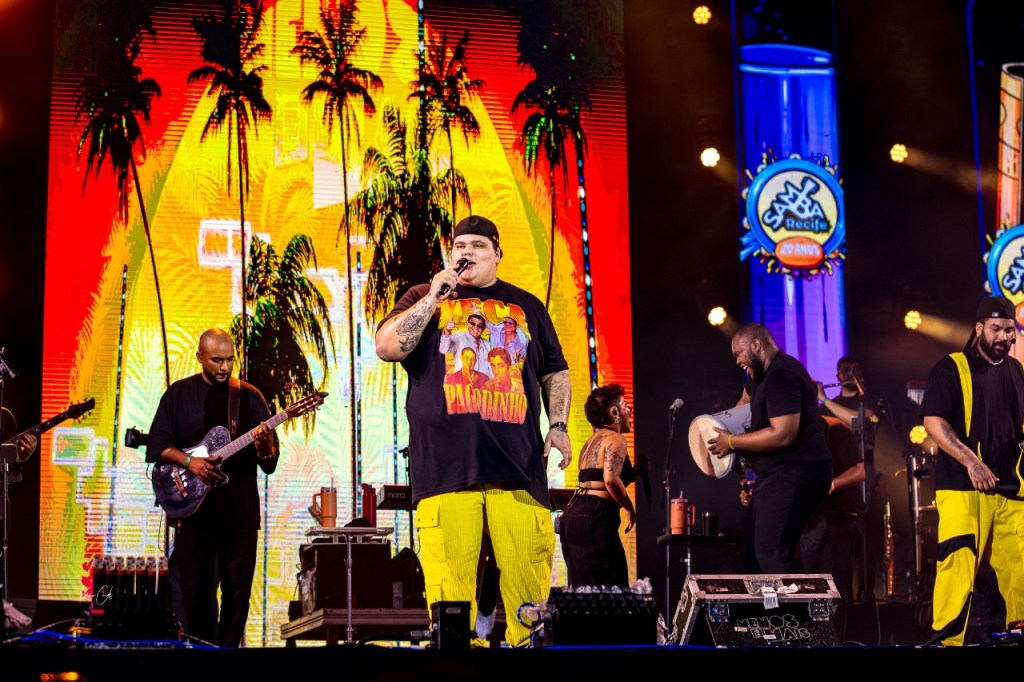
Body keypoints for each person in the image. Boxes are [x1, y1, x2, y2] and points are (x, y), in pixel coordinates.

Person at [375, 214, 572, 648]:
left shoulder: (527, 306)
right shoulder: (423, 297)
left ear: (497, 254)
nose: (467, 252)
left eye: (478, 245)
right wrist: (433, 298)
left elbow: (555, 371)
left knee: (529, 606)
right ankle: (456, 672)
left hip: (518, 469)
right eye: (460, 245)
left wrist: (558, 424)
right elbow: (387, 347)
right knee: (450, 610)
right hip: (445, 469)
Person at [146, 328, 278, 647]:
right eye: (217, 360)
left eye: (230, 360)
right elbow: (157, 445)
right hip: (194, 516)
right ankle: (203, 659)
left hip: (240, 515)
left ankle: (227, 661)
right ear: (200, 357)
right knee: (195, 595)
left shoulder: (250, 397)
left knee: (237, 596)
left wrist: (264, 448)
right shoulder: (179, 395)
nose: (224, 367)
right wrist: (190, 462)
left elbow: (270, 462)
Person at [919, 295, 1024, 647]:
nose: (1003, 337)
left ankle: (1018, 633)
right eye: (996, 329)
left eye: (1009, 330)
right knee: (958, 563)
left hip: (1011, 490)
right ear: (979, 328)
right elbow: (933, 421)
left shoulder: (1016, 371)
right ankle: (946, 642)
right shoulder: (951, 367)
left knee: (1020, 566)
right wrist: (972, 462)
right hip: (963, 488)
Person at [707, 322, 832, 572]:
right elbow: (744, 403)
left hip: (797, 472)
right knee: (753, 551)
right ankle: (774, 600)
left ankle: (800, 599)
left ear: (756, 345)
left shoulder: (782, 375)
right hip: (778, 474)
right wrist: (721, 426)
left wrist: (731, 441)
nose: (737, 361)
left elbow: (783, 434)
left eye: (738, 354)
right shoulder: (759, 375)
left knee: (772, 550)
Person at [816, 355, 880, 603]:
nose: (850, 373)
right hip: (839, 473)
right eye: (845, 369)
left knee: (863, 533)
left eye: (855, 369)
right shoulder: (828, 407)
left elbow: (858, 422)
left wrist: (823, 398)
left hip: (863, 470)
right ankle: (844, 594)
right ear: (837, 375)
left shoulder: (867, 400)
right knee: (840, 533)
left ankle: (866, 593)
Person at [559, 384, 637, 588]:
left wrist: (635, 471)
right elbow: (610, 479)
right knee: (612, 589)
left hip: (573, 516)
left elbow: (598, 480)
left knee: (584, 592)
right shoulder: (616, 439)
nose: (630, 410)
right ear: (614, 412)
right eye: (625, 405)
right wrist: (629, 508)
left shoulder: (590, 442)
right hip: (594, 517)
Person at [798, 415, 865, 641]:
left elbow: (859, 471)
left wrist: (832, 484)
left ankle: (832, 643)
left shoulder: (836, 429)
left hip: (839, 518)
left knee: (831, 587)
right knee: (806, 587)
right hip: (809, 522)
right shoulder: (794, 434)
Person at [440, 312, 493, 377]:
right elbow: (444, 350)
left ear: (483, 329)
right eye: (472, 323)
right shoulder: (459, 337)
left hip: (485, 382)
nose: (476, 327)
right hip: (462, 381)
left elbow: (491, 367)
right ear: (467, 323)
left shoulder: (487, 344)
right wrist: (447, 332)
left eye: (480, 326)